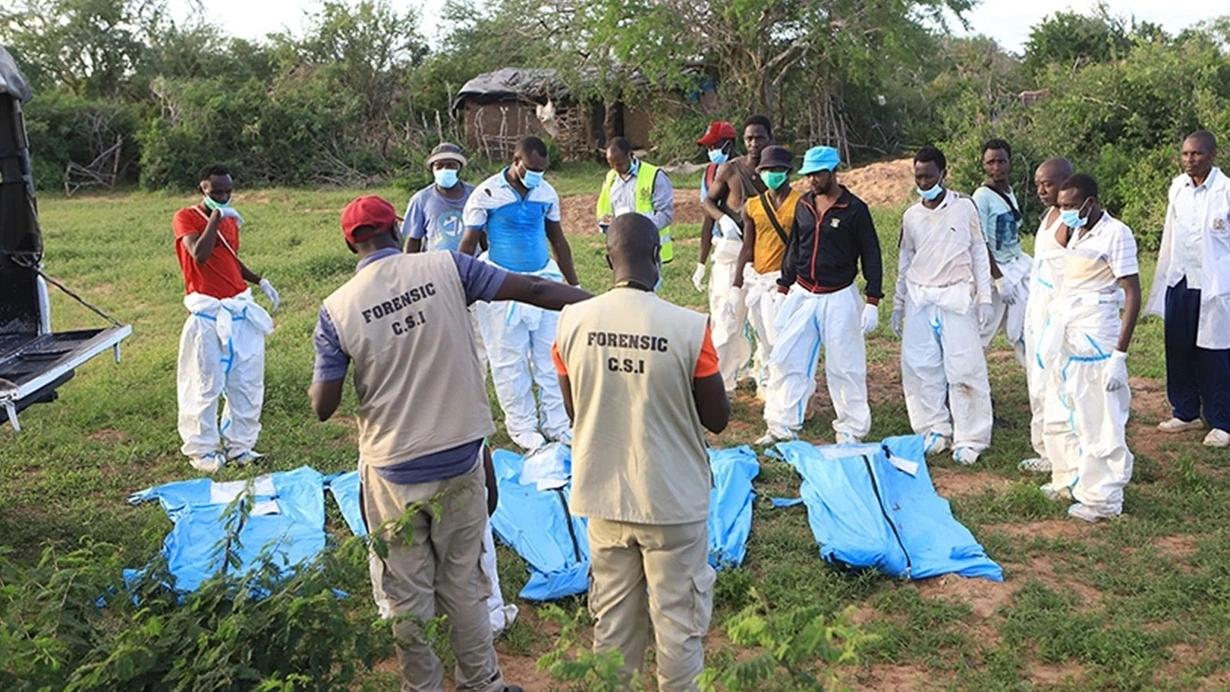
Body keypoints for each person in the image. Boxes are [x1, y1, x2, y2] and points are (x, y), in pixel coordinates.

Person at [309, 195, 589, 692]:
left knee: (406, 593)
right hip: (460, 456)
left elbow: (322, 406)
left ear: (349, 242)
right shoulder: (448, 267)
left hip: (392, 469)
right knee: (464, 581)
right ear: (397, 229)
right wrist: (600, 301)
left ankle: (422, 685)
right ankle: (482, 683)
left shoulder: (336, 311)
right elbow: (530, 289)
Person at [552, 214, 729, 692]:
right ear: (657, 256)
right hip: (672, 501)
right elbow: (716, 418)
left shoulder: (571, 322)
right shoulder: (691, 328)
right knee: (678, 625)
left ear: (608, 258)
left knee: (612, 625)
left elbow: (574, 409)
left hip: (604, 497)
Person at [459, 136, 581, 451]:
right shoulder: (486, 194)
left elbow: (559, 240)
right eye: (531, 168)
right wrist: (459, 286)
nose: (536, 175)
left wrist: (573, 286)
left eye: (542, 170)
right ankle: (522, 426)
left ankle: (557, 422)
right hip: (502, 283)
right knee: (508, 358)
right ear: (515, 160)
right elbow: (469, 245)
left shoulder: (546, 193)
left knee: (550, 355)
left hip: (544, 277)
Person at [759, 146, 883, 445]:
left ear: (833, 172)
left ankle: (851, 429)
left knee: (845, 365)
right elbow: (795, 246)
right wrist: (783, 287)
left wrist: (873, 299)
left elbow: (871, 253)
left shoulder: (855, 210)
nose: (812, 180)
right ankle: (781, 424)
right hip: (803, 291)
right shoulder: (804, 204)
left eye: (817, 174)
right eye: (808, 175)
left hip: (839, 295)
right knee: (788, 359)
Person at [1037, 174, 1141, 521]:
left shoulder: (1116, 234)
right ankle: (1068, 478)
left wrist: (1119, 356)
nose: (1063, 211)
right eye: (1061, 205)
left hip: (1097, 337)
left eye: (1069, 206)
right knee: (1063, 409)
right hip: (1068, 333)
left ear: (1090, 203)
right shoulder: (1076, 231)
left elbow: (1131, 293)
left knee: (1100, 419)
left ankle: (1103, 499)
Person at [173, 164, 280, 473]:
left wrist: (259, 280)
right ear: (202, 189)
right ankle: (202, 450)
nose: (223, 196)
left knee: (246, 382)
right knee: (204, 384)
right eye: (216, 191)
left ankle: (240, 446)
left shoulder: (232, 222)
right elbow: (201, 254)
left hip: (238, 310)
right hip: (208, 315)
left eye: (227, 191)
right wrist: (216, 218)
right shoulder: (187, 217)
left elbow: (229, 260)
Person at [891, 146, 994, 465]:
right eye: (918, 176)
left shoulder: (964, 208)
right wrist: (899, 302)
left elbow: (979, 250)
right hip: (921, 297)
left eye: (929, 176)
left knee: (964, 368)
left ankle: (971, 437)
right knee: (920, 367)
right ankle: (933, 428)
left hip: (957, 296)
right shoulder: (911, 215)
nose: (923, 182)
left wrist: (985, 296)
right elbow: (906, 258)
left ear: (943, 174)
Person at [1145, 130, 1230, 448]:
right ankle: (1186, 412)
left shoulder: (1225, 191)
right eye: (1184, 154)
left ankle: (1222, 421)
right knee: (1178, 348)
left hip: (1214, 286)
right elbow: (1171, 234)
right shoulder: (1177, 188)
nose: (1189, 160)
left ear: (1213, 155)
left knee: (1214, 353)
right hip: (1179, 279)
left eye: (1196, 154)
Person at [700, 115, 773, 394]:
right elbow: (708, 202)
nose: (754, 143)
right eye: (749, 138)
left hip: (764, 256)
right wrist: (723, 219)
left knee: (765, 324)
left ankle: (765, 378)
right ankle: (722, 383)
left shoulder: (774, 171)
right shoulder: (730, 170)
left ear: (769, 139)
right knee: (727, 320)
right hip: (732, 253)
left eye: (759, 138)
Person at [1018, 156, 1075, 474]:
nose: (1041, 189)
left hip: (1058, 313)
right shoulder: (1049, 215)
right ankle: (1044, 449)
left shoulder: (1072, 222)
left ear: (1067, 182)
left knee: (1056, 384)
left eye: (1048, 184)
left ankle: (1062, 455)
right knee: (1037, 381)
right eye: (1038, 184)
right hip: (1037, 309)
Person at [734, 145, 798, 400]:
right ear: (759, 173)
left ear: (788, 172)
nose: (773, 174)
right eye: (768, 170)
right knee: (765, 338)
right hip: (759, 281)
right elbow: (747, 246)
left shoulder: (801, 203)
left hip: (786, 282)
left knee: (785, 340)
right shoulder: (752, 206)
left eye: (779, 169)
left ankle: (793, 392)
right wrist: (735, 284)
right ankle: (771, 386)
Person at [973, 139, 1031, 366]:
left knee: (1025, 326)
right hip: (994, 271)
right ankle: (966, 385)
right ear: (984, 165)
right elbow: (980, 241)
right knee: (983, 332)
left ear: (1010, 162)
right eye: (991, 162)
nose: (997, 167)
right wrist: (998, 279)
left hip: (1015, 265)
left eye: (1001, 161)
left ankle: (1037, 380)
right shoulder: (982, 197)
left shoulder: (1009, 191)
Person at [596, 137, 675, 262]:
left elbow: (666, 215)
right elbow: (604, 209)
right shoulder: (611, 178)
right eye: (611, 164)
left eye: (620, 163)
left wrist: (638, 228)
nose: (616, 168)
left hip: (648, 247)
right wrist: (605, 221)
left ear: (630, 155)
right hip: (621, 247)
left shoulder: (655, 176)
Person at [692, 121, 739, 293]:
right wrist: (701, 264)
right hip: (721, 243)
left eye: (715, 146)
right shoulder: (710, 172)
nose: (711, 151)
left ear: (730, 144)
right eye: (709, 148)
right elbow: (708, 215)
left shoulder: (746, 170)